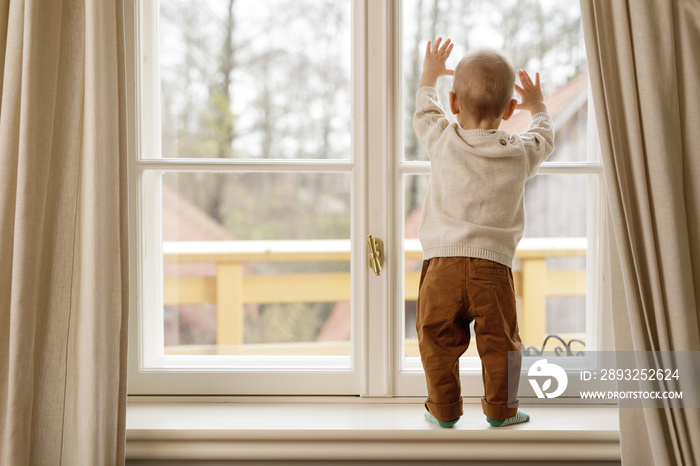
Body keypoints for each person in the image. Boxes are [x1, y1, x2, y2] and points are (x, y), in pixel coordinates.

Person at [413, 38, 554, 428]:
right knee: (500, 345)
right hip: (492, 269)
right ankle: (501, 411)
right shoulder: (517, 152)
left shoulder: (443, 139)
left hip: (442, 264)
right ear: (510, 110)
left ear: (454, 103)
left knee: (436, 339)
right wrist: (538, 106)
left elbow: (424, 111)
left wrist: (429, 74)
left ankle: (443, 411)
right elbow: (544, 137)